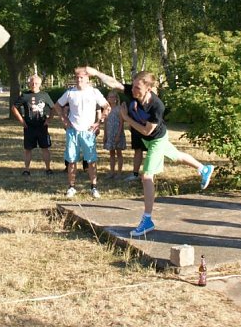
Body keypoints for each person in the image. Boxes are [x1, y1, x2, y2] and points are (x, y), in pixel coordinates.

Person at [88, 67, 215, 237]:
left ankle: (147, 220)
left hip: (156, 139)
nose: (132, 91)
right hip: (150, 138)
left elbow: (147, 131)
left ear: (148, 88)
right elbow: (115, 83)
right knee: (176, 156)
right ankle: (203, 168)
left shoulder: (157, 106)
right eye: (132, 87)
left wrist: (126, 118)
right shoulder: (133, 93)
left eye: (137, 88)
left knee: (147, 176)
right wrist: (97, 73)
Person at [53, 67, 111, 199]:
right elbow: (57, 106)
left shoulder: (94, 92)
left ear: (87, 79)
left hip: (88, 131)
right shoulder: (70, 93)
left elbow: (107, 107)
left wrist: (99, 122)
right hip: (73, 130)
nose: (79, 80)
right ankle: (71, 187)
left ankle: (94, 187)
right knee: (72, 160)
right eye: (77, 77)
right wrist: (64, 119)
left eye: (82, 77)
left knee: (91, 161)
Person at [10, 74, 55, 176]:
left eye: (36, 83)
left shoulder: (45, 95)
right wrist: (22, 121)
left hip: (42, 126)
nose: (34, 85)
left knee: (45, 148)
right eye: (32, 83)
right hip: (29, 127)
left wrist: (49, 119)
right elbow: (14, 108)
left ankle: (48, 168)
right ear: (29, 83)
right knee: (28, 149)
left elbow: (54, 107)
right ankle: (26, 169)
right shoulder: (25, 95)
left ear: (40, 84)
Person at [103, 89, 126, 178]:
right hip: (109, 133)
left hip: (117, 133)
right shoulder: (106, 109)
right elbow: (105, 123)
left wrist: (118, 135)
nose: (111, 99)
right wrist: (105, 135)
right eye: (110, 97)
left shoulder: (119, 109)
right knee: (111, 153)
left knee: (119, 153)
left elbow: (121, 123)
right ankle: (112, 172)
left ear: (116, 98)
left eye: (113, 97)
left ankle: (119, 172)